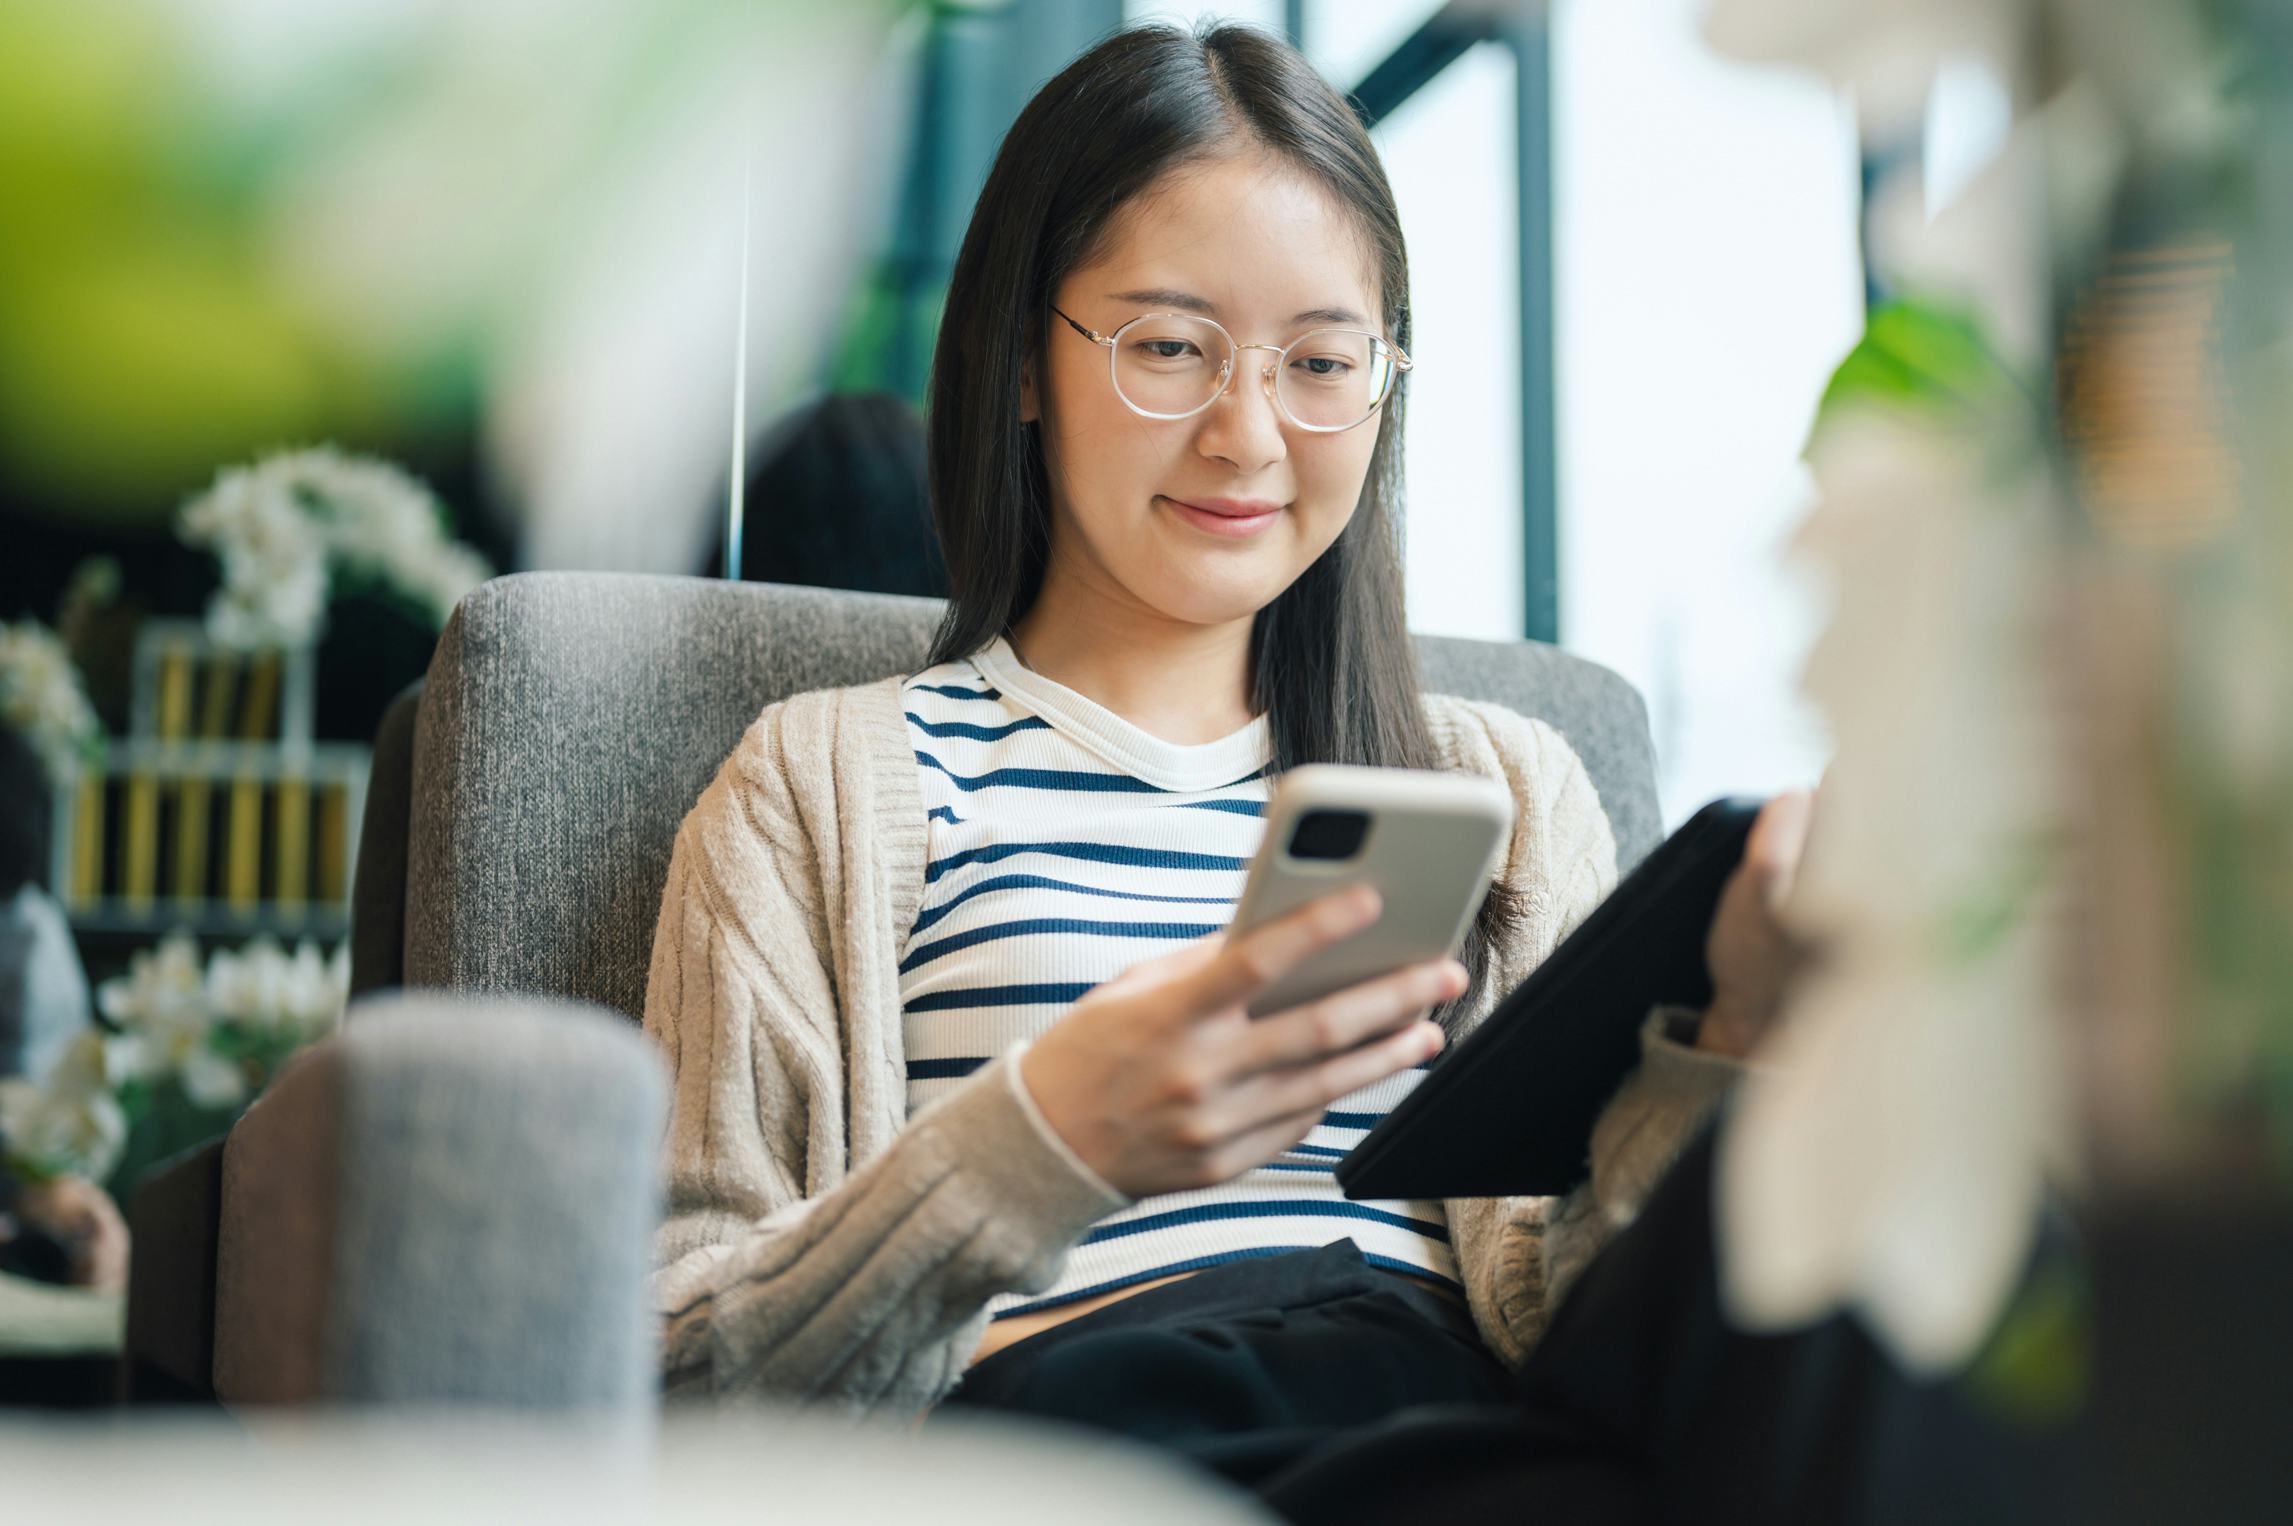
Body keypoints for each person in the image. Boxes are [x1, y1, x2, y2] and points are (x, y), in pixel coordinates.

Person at [643, 18, 1805, 1497]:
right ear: (1018, 363)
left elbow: (1607, 1325)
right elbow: (671, 1372)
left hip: (1463, 1429)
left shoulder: (1503, 787)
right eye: (1169, 348)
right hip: (1094, 1432)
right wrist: (1041, 1139)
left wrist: (1728, 1048)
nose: (1248, 433)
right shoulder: (825, 782)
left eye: (1321, 360)